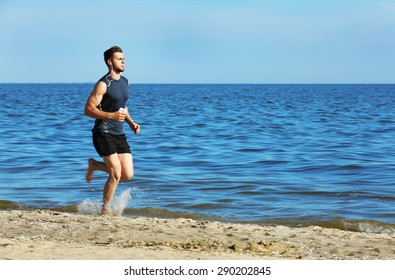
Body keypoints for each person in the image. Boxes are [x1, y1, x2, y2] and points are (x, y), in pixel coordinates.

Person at [84, 46, 140, 215]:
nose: (123, 61)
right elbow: (88, 110)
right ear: (110, 61)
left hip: (119, 133)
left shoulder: (126, 82)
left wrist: (131, 123)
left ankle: (94, 165)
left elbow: (122, 108)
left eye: (124, 58)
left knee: (127, 175)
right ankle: (105, 211)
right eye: (119, 58)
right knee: (116, 174)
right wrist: (110, 116)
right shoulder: (103, 84)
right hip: (103, 132)